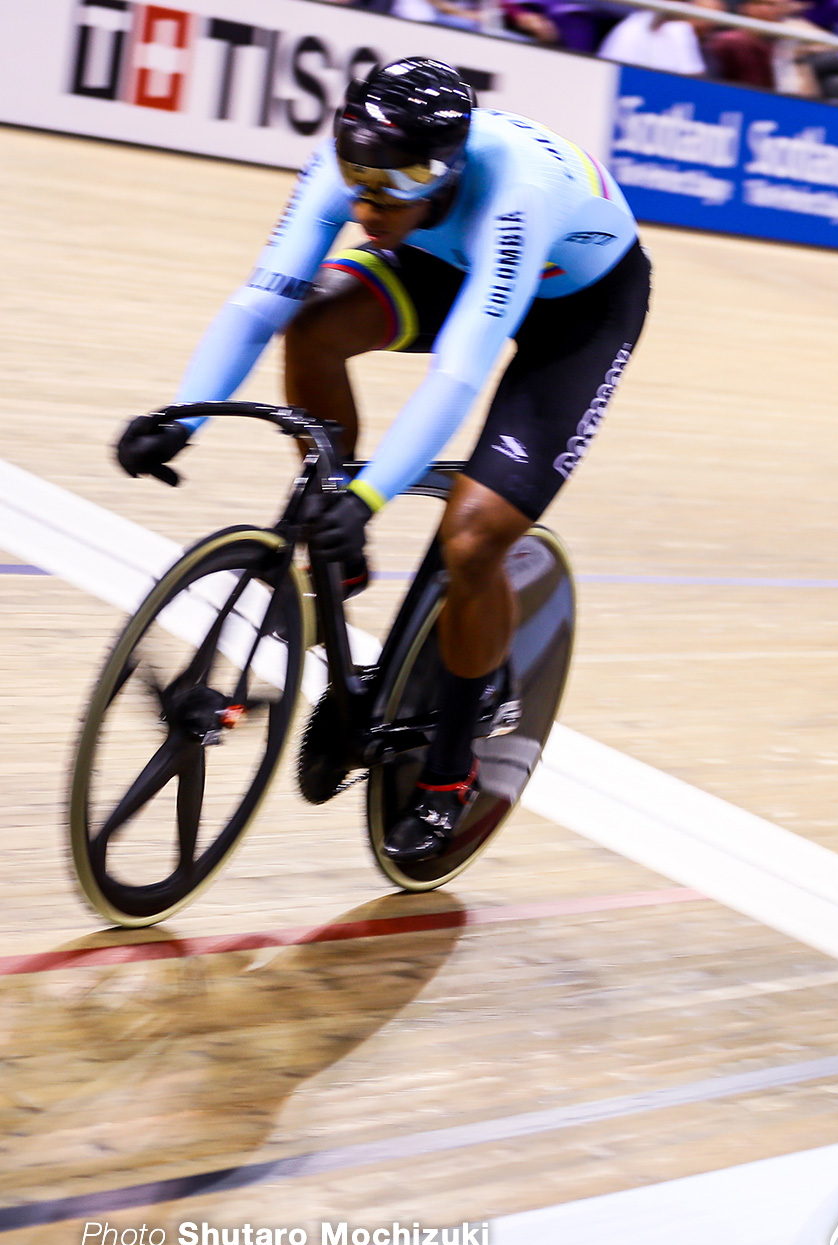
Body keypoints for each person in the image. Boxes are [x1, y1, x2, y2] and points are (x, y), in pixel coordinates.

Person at [114, 58, 650, 861]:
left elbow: (459, 373)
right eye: (356, 179)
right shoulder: (369, 174)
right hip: (448, 257)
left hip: (577, 308)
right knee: (314, 325)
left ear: (443, 173)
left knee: (473, 539)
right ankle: (344, 563)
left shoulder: (516, 194)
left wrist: (367, 496)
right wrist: (180, 419)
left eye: (387, 187)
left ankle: (448, 771)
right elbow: (264, 300)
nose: (365, 204)